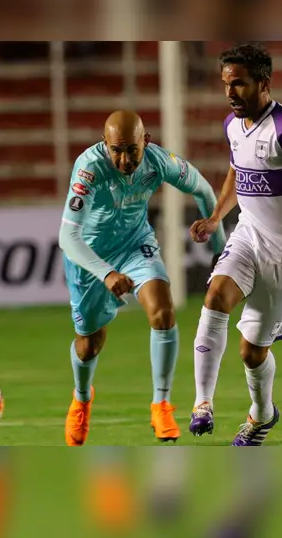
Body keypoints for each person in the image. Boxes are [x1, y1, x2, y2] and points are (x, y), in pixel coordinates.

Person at [188, 43, 282, 446]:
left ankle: (263, 414)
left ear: (263, 83)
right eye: (226, 84)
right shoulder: (232, 126)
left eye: (239, 84)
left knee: (251, 353)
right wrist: (217, 217)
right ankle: (202, 404)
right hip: (248, 236)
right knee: (215, 297)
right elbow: (237, 174)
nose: (230, 93)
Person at [58, 110, 226, 445]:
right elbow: (68, 237)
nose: (123, 159)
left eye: (131, 150)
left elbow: (204, 190)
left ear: (144, 142)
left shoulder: (158, 161)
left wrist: (220, 251)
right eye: (115, 150)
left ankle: (161, 403)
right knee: (90, 344)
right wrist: (106, 274)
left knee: (163, 313)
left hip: (136, 246)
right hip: (91, 258)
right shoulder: (89, 168)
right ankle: (81, 398)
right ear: (104, 145)